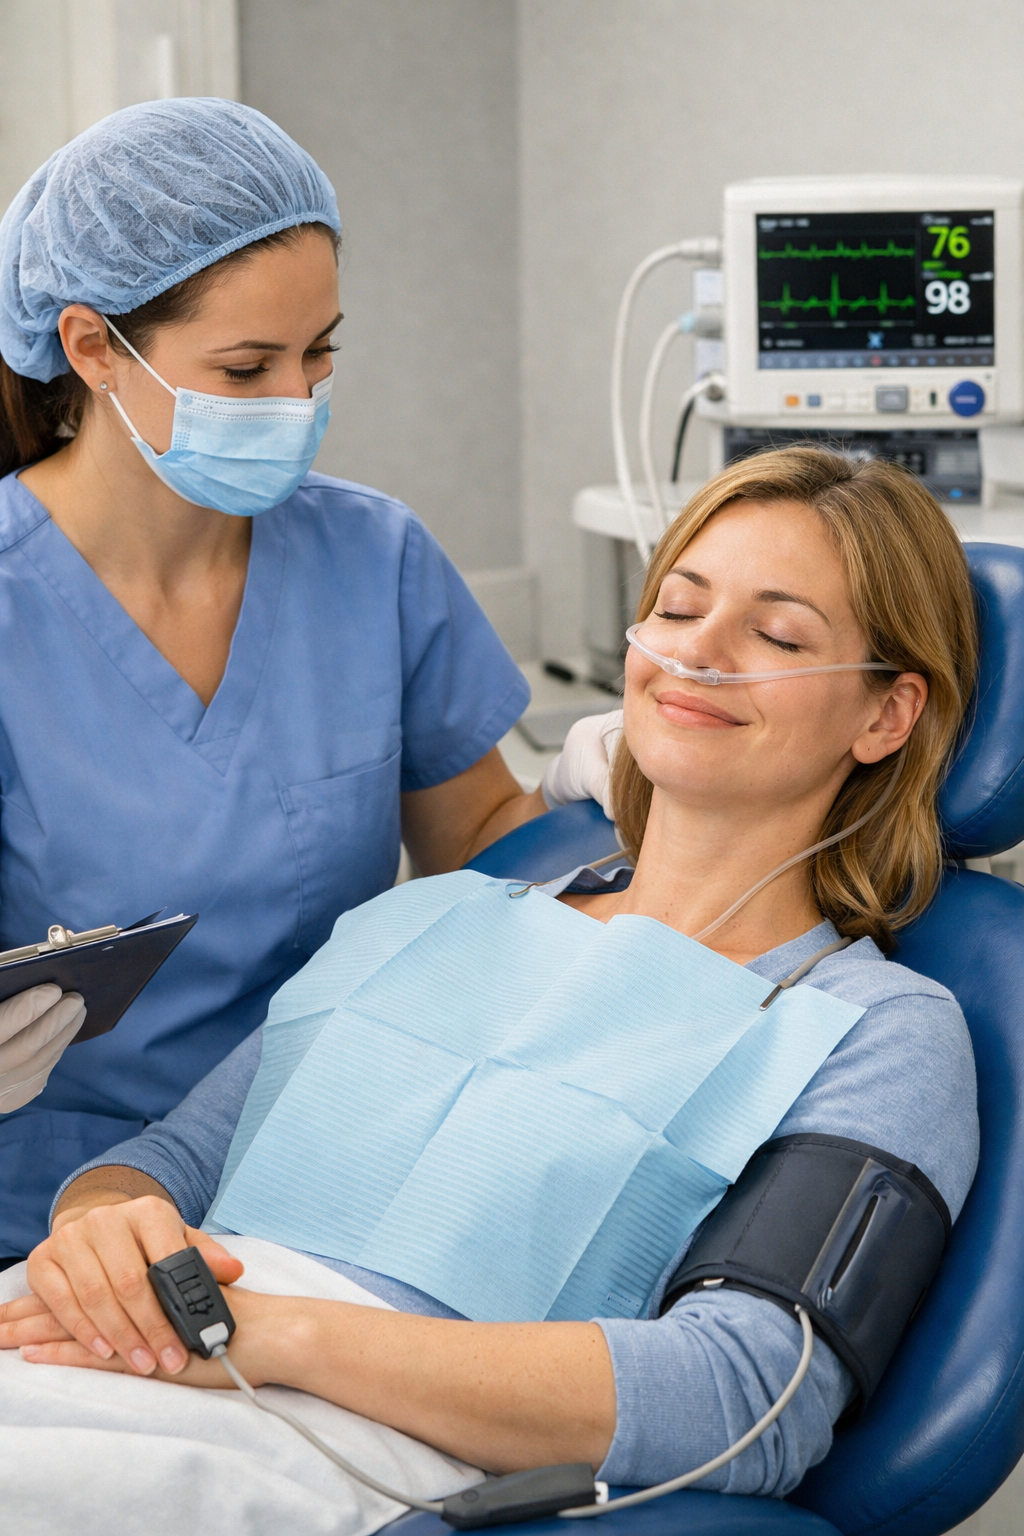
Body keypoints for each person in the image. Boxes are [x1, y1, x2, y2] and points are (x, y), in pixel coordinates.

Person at [0, 448, 979, 1519]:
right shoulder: (432, 915)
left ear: (886, 716)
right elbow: (173, 1159)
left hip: (313, 1434)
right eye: (677, 608)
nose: (699, 653)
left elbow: (746, 1399)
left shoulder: (870, 1029)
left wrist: (270, 1334)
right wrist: (100, 1227)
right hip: (101, 1342)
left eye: (778, 635)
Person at [0, 98, 616, 1262]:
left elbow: (475, 845)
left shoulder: (371, 558)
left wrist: (589, 799)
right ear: (92, 348)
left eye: (321, 352)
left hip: (345, 1175)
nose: (297, 400)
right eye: (246, 368)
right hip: (62, 1223)